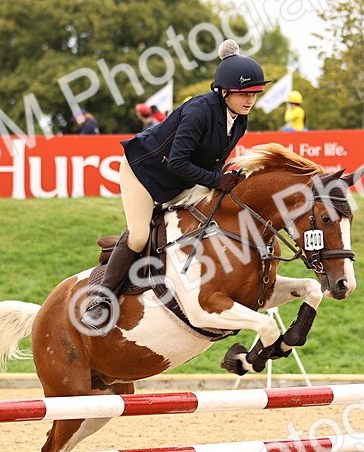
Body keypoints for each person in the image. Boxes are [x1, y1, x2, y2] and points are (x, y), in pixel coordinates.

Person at [81, 39, 269, 329]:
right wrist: (216, 179)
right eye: (244, 94)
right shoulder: (199, 110)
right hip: (144, 173)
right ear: (225, 91)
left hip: (180, 179)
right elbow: (177, 162)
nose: (250, 101)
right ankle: (101, 299)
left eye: (254, 94)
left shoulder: (240, 120)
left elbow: (213, 160)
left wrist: (223, 178)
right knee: (139, 236)